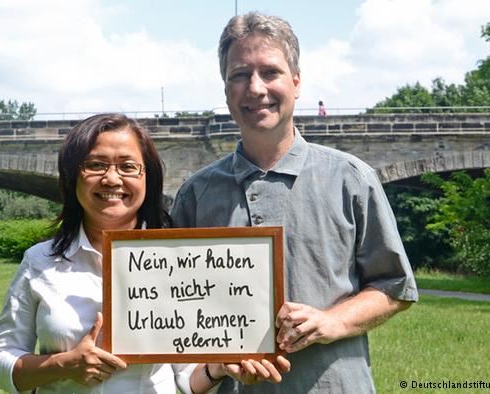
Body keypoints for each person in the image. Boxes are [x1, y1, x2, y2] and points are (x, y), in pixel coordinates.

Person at [171, 12, 418, 393]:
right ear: (225, 91)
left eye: (270, 72)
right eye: (239, 75)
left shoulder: (351, 179)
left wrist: (334, 320)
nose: (255, 88)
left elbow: (395, 286)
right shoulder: (196, 194)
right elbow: (176, 309)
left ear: (297, 82)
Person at [0, 113, 282, 394]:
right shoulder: (39, 261)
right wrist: (62, 364)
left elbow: (187, 380)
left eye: (127, 167)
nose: (112, 179)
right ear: (72, 177)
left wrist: (219, 367)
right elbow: (0, 362)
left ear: (146, 179)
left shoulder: (181, 261)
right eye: (96, 165)